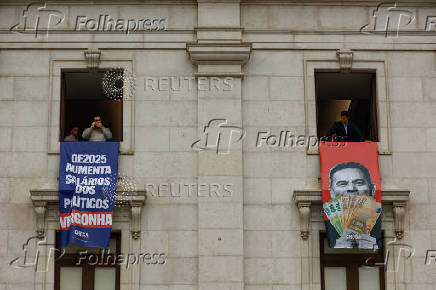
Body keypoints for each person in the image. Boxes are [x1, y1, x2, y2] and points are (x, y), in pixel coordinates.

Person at [326, 162, 380, 249]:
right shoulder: (329, 223)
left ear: (373, 190)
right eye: (342, 184)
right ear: (331, 192)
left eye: (359, 183)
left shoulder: (379, 220)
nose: (351, 189)